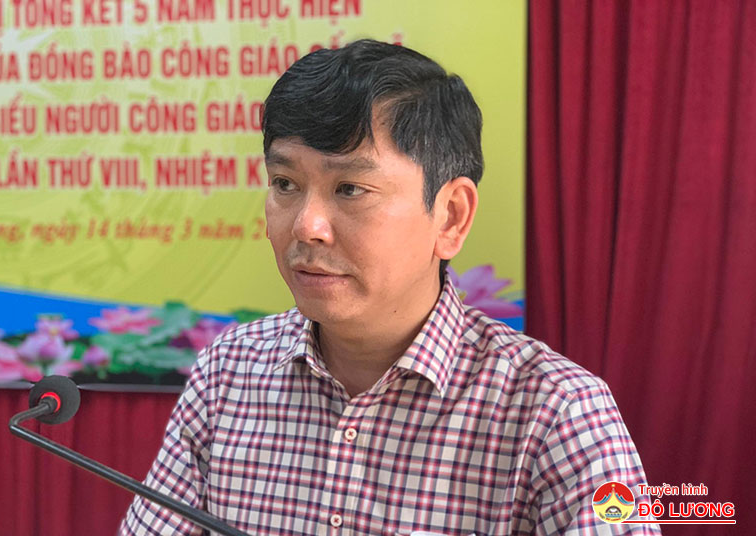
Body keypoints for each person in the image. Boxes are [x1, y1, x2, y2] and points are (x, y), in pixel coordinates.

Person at [120, 39, 659, 535]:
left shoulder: (557, 412)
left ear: (450, 216)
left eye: (350, 188)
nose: (307, 226)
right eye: (285, 184)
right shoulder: (228, 373)